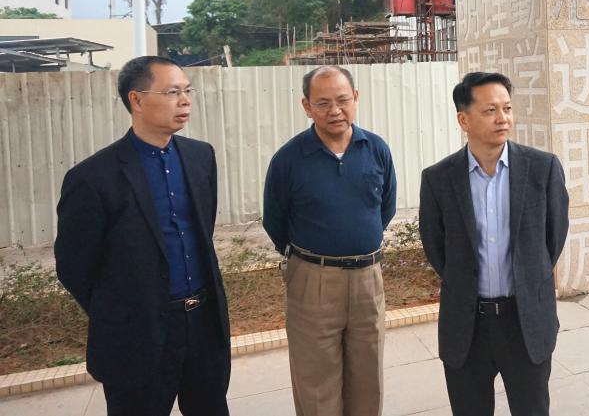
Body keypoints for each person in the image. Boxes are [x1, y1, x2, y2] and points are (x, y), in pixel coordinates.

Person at [54, 56, 231, 416]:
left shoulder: (200, 157)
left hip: (202, 324)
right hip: (137, 334)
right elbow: (74, 267)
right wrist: (123, 311)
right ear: (136, 99)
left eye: (187, 91)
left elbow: (202, 231)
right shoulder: (92, 177)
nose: (185, 100)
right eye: (172, 92)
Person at [419, 72, 569, 416]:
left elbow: (553, 237)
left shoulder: (542, 168)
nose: (503, 118)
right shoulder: (438, 179)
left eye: (507, 108)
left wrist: (530, 277)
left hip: (525, 321)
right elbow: (436, 248)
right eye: (490, 110)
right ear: (464, 120)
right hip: (467, 325)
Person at [263, 65, 397, 416]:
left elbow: (385, 208)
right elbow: (275, 220)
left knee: (368, 377)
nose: (334, 110)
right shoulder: (289, 159)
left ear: (355, 98)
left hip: (368, 279)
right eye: (322, 103)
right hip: (313, 280)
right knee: (316, 385)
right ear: (306, 106)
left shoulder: (376, 149)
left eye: (342, 100)